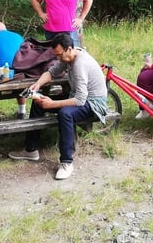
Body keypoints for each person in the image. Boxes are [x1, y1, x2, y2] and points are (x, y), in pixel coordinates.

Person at [8, 33, 107, 180]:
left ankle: (67, 162)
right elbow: (52, 72)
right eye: (56, 55)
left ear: (69, 49)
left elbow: (80, 100)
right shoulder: (68, 57)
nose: (59, 58)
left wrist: (53, 104)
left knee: (65, 114)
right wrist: (37, 85)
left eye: (60, 55)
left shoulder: (80, 64)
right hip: (77, 98)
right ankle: (31, 150)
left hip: (93, 104)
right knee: (39, 102)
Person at [0, 21, 25, 118]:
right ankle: (22, 112)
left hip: (1, 76)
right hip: (20, 74)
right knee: (20, 87)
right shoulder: (19, 37)